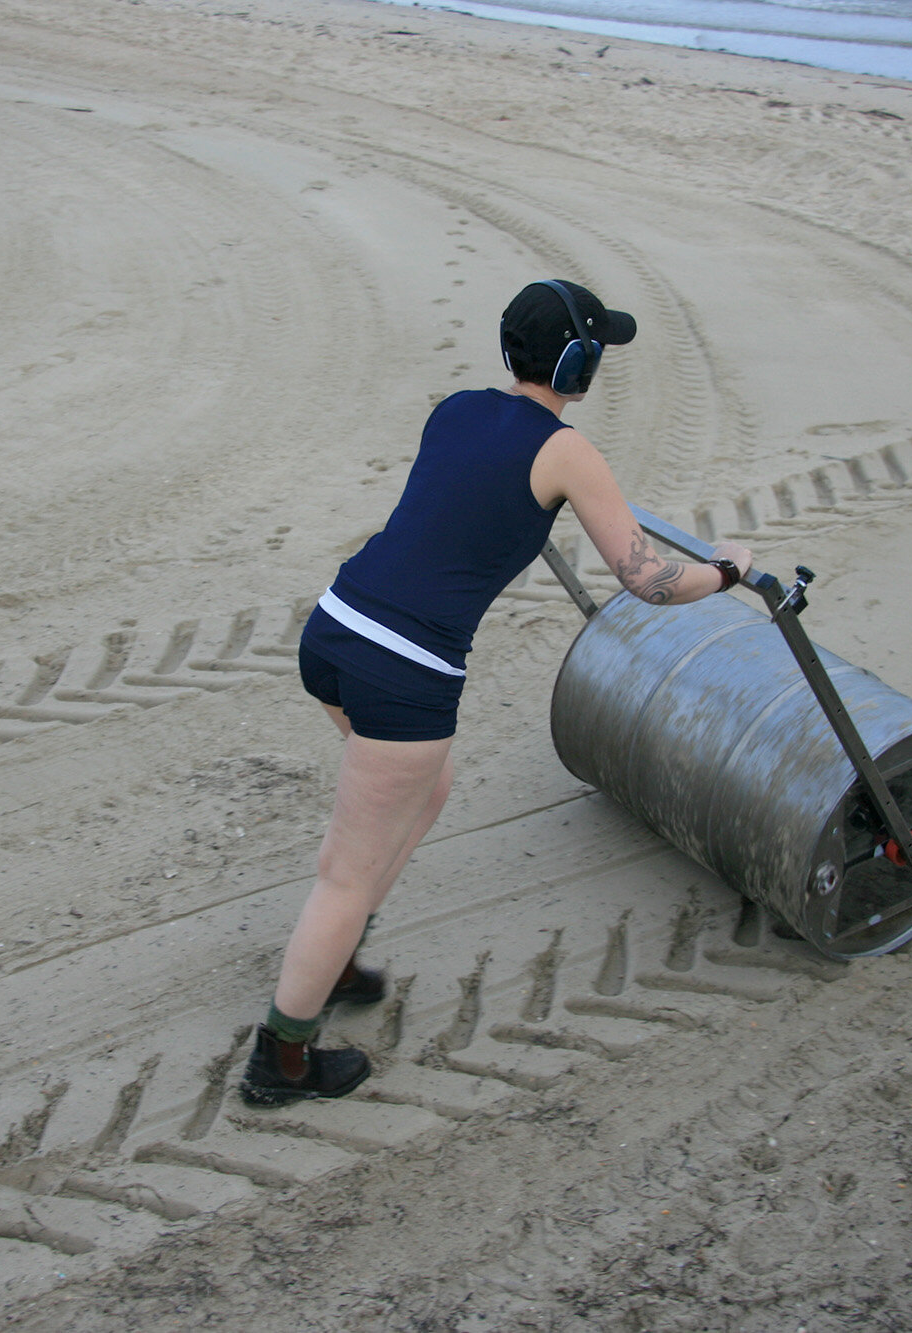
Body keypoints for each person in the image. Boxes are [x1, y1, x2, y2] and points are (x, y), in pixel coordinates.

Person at [241, 279, 756, 1106]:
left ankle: (330, 960)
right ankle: (283, 1058)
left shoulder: (455, 409)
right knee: (347, 869)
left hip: (334, 629)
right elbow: (648, 579)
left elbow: (466, 506)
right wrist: (727, 569)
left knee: (425, 791)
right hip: (404, 669)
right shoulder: (568, 451)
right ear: (578, 360)